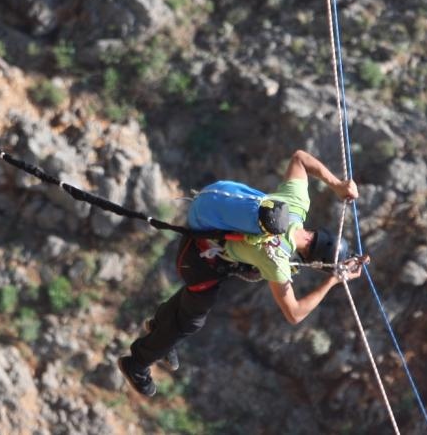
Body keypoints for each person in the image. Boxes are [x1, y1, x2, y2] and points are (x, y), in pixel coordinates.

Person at [116, 148, 367, 398]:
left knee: (193, 302)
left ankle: (160, 329)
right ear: (313, 261)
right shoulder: (276, 257)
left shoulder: (295, 206)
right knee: (192, 319)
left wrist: (337, 185)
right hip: (198, 258)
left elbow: (300, 158)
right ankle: (137, 363)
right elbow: (294, 313)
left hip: (206, 218)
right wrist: (332, 281)